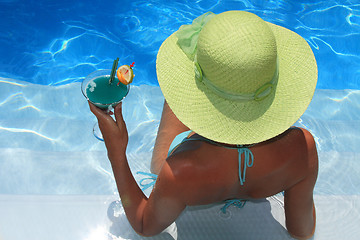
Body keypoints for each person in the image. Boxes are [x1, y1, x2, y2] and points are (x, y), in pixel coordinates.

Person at [89, 11, 318, 239]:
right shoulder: (303, 149)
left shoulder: (179, 171)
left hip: (197, 176)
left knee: (174, 100)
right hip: (267, 168)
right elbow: (302, 230)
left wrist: (116, 152)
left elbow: (143, 224)